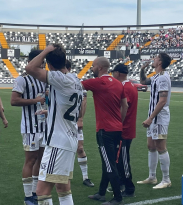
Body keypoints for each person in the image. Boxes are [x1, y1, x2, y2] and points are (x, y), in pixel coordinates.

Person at [25, 44, 82, 205]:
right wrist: (50, 112)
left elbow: (30, 68)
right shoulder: (76, 79)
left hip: (57, 142)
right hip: (70, 139)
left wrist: (45, 51)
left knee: (41, 191)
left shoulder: (59, 78)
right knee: (63, 188)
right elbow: (67, 109)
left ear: (49, 64)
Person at [83, 57, 128, 205]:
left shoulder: (97, 82)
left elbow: (76, 85)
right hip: (116, 129)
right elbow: (125, 106)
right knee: (107, 162)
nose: (92, 68)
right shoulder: (118, 84)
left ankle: (117, 198)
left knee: (109, 165)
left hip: (104, 130)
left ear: (100, 68)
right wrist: (118, 122)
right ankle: (102, 193)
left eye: (94, 66)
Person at [11, 50, 47, 205]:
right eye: (42, 60)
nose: (44, 63)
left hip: (44, 126)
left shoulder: (44, 79)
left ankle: (34, 192)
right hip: (30, 127)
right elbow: (14, 101)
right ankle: (27, 197)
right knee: (30, 160)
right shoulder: (22, 79)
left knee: (41, 158)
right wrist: (35, 100)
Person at [138, 53, 172, 189]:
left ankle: (166, 179)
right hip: (153, 116)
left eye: (156, 58)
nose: (154, 59)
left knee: (160, 147)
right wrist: (142, 69)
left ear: (160, 62)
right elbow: (143, 82)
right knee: (151, 146)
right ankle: (152, 177)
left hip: (159, 117)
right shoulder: (157, 77)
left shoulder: (163, 78)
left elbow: (162, 100)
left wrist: (151, 118)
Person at [65, 60, 94, 188]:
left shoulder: (76, 81)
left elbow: (84, 99)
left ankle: (85, 177)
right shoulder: (55, 81)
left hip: (74, 121)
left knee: (80, 148)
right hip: (61, 122)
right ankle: (61, 176)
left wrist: (80, 118)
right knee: (62, 148)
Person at [111, 63, 138, 197]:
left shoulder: (125, 87)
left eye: (113, 72)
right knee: (120, 158)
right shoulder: (130, 85)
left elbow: (124, 106)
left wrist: (117, 123)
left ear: (118, 73)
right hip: (127, 128)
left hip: (124, 129)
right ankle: (122, 183)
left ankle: (129, 188)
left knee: (123, 160)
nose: (112, 75)